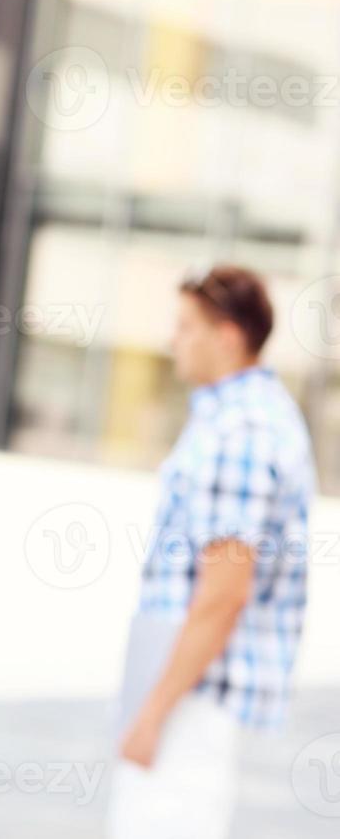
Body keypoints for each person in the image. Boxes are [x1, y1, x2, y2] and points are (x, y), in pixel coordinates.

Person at [108, 265, 313, 839]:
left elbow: (224, 594)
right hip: (187, 686)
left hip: (194, 696)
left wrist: (152, 714)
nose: (173, 340)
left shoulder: (243, 430)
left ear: (227, 336)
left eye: (186, 327)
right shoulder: (238, 416)